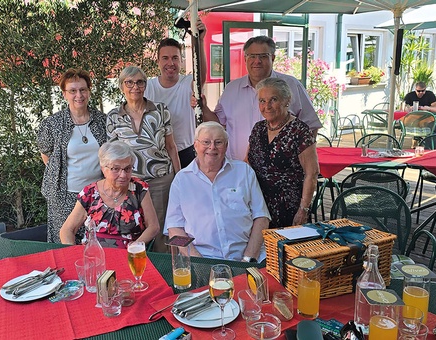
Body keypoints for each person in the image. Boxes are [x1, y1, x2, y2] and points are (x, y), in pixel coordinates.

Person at [164, 122, 271, 262]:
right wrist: (198, 262)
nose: (212, 147)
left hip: (246, 257)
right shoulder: (181, 180)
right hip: (202, 259)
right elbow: (174, 229)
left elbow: (262, 217)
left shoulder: (243, 171)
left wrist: (248, 258)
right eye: (206, 142)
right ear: (195, 145)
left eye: (218, 142)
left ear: (226, 146)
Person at [202, 36, 321, 161]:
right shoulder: (231, 89)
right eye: (252, 56)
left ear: (273, 58)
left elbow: (311, 126)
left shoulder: (291, 85)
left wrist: (301, 160)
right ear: (245, 59)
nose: (257, 61)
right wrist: (203, 107)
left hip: (280, 175)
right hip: (239, 170)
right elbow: (219, 123)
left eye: (263, 56)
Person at [107, 65, 181, 252]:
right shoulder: (114, 116)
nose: (135, 87)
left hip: (160, 181)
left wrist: (179, 176)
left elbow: (171, 146)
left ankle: (164, 270)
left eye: (140, 82)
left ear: (145, 85)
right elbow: (112, 155)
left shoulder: (160, 111)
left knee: (162, 229)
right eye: (129, 83)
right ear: (121, 86)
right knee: (132, 228)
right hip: (129, 184)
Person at [37, 68, 107, 243]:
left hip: (97, 194)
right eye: (73, 91)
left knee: (96, 241)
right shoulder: (53, 124)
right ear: (64, 94)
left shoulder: (103, 120)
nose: (79, 95)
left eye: (83, 89)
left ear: (89, 91)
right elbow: (45, 153)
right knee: (66, 242)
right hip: (64, 196)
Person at [247, 77, 319, 228]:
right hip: (259, 206)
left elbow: (311, 173)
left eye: (273, 99)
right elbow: (247, 163)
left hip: (288, 208)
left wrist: (303, 210)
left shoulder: (299, 131)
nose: (267, 106)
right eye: (262, 101)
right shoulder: (258, 129)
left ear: (287, 100)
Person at [59, 141, 159, 248]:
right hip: (93, 256)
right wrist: (72, 253)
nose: (123, 175)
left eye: (127, 168)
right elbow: (67, 230)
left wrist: (135, 248)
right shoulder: (90, 193)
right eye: (115, 169)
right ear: (103, 169)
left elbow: (153, 226)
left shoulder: (139, 189)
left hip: (128, 255)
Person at [144, 21, 207, 168]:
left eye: (175, 58)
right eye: (165, 58)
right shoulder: (148, 87)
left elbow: (201, 77)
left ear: (181, 60)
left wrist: (200, 40)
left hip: (186, 152)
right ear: (158, 61)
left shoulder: (187, 83)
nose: (170, 63)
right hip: (158, 153)